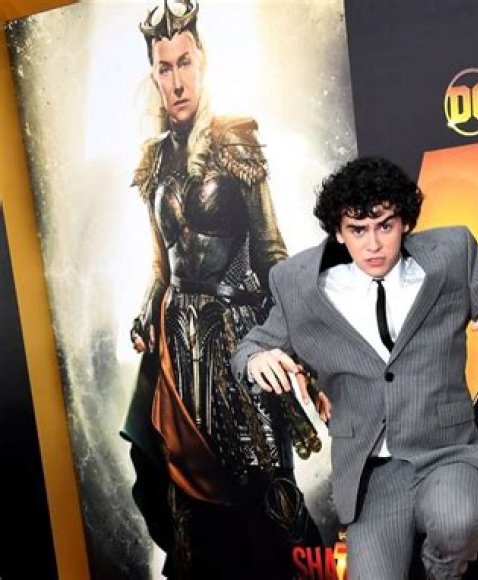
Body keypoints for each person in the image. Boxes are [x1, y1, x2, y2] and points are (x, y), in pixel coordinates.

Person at [231, 156, 478, 579]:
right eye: (358, 229)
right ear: (338, 231)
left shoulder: (449, 256)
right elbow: (250, 348)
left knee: (457, 523)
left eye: (385, 226)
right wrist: (256, 359)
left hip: (445, 451)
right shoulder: (297, 282)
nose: (373, 244)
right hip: (370, 471)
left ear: (405, 222)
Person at [120, 1, 320, 577]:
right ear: (154, 76)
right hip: (176, 350)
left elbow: (273, 253)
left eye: (184, 63)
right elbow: (161, 264)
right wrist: (144, 314)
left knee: (269, 489)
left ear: (202, 62)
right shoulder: (153, 162)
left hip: (237, 340)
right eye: (165, 68)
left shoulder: (236, 142)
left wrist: (302, 352)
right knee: (181, 496)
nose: (177, 81)